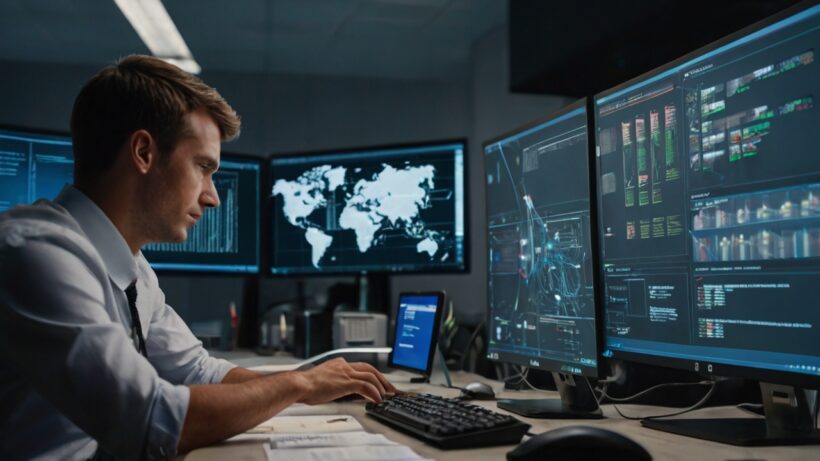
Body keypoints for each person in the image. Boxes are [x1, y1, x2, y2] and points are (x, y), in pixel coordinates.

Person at [0, 55, 397, 461]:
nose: (212, 197)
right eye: (203, 167)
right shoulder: (35, 254)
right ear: (143, 152)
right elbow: (154, 419)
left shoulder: (133, 269)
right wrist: (299, 386)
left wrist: (308, 380)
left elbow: (198, 371)